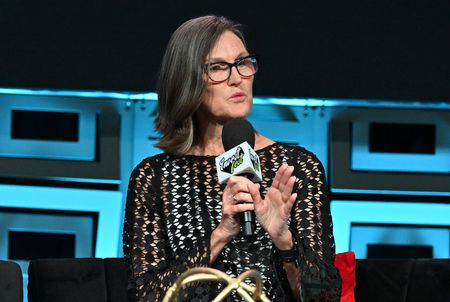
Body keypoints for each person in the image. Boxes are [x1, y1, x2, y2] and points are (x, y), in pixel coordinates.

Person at [123, 15, 342, 301]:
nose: (237, 78)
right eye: (218, 67)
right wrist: (222, 232)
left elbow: (324, 297)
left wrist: (283, 239)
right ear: (186, 79)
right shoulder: (154, 178)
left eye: (242, 62)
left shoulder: (296, 167)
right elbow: (147, 296)